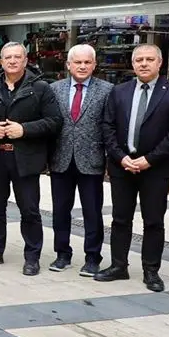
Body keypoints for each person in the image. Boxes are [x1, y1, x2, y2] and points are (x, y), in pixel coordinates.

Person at [0, 42, 63, 275]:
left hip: (26, 159)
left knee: (29, 210)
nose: (12, 61)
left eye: (17, 57)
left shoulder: (41, 88)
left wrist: (25, 130)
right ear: (0, 61)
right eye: (7, 57)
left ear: (25, 60)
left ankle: (32, 256)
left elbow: (54, 121)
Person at [99, 44, 169, 292]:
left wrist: (150, 159)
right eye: (139, 60)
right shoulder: (119, 91)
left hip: (156, 168)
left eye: (150, 59)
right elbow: (108, 127)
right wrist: (119, 157)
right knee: (120, 219)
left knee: (153, 221)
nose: (144, 64)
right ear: (133, 63)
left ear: (160, 63)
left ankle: (151, 270)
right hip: (123, 167)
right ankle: (118, 266)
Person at [48, 45, 113, 276]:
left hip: (92, 160)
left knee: (92, 212)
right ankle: (62, 254)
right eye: (78, 62)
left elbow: (111, 127)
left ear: (94, 65)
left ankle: (93, 257)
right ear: (68, 65)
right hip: (60, 159)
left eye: (87, 62)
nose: (82, 66)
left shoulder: (107, 90)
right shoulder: (54, 89)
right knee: (60, 211)